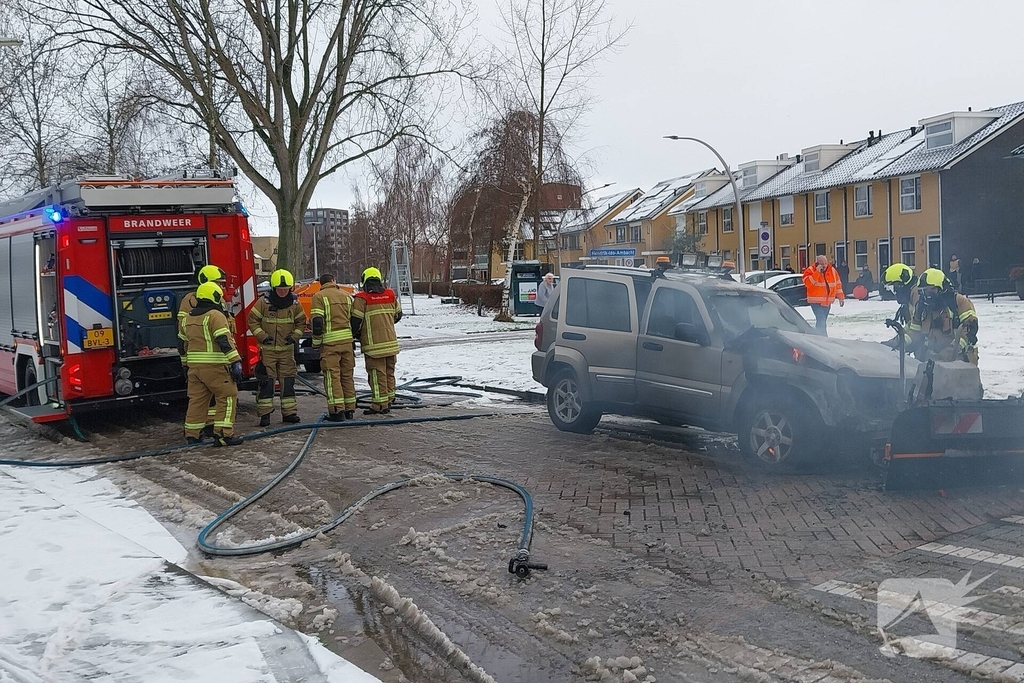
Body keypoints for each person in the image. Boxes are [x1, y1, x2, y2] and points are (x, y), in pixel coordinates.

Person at [179, 282, 243, 447]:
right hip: (215, 368)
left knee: (197, 401)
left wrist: (185, 365)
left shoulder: (188, 318)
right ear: (214, 297)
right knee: (228, 396)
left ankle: (192, 435)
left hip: (194, 370)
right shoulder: (215, 315)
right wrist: (235, 361)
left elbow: (182, 344)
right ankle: (223, 435)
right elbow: (224, 340)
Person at [248, 269, 306, 427]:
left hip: (286, 351)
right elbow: (252, 320)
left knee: (288, 382)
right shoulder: (263, 302)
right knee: (266, 382)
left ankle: (289, 413)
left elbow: (302, 323)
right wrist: (262, 336)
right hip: (267, 351)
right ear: (273, 288)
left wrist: (294, 337)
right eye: (280, 289)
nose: (282, 292)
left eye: (285, 289)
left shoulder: (295, 303)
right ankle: (265, 415)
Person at [352, 267, 402, 415]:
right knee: (389, 372)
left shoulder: (362, 299)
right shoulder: (390, 295)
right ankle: (390, 397)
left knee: (376, 374)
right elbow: (398, 315)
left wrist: (358, 334)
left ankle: (379, 405)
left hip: (374, 346)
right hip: (391, 343)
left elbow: (355, 321)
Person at [907, 268, 979, 365]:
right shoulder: (921, 307)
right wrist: (899, 342)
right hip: (931, 361)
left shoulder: (959, 302)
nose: (927, 295)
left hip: (960, 361)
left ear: (942, 288)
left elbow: (970, 330)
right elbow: (914, 333)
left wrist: (951, 350)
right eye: (923, 291)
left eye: (931, 289)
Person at [311, 273, 356, 422]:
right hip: (347, 344)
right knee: (347, 376)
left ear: (321, 284)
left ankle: (337, 412)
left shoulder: (319, 296)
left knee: (332, 378)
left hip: (330, 345)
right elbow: (355, 320)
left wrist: (316, 343)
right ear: (333, 281)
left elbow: (317, 323)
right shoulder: (346, 296)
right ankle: (350, 409)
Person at [802, 255, 845, 335]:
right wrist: (817, 273)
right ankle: (823, 338)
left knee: (822, 321)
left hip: (827, 302)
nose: (824, 265)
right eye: (822, 263)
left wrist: (841, 297)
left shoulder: (832, 270)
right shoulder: (810, 270)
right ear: (817, 263)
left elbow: (838, 285)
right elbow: (808, 283)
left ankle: (818, 336)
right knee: (821, 320)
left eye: (825, 263)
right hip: (816, 302)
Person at [880, 263, 916, 350]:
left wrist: (898, 342)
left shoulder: (916, 295)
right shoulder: (910, 298)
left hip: (936, 349)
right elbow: (911, 324)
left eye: (895, 287)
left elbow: (918, 329)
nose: (895, 292)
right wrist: (899, 337)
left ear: (902, 284)